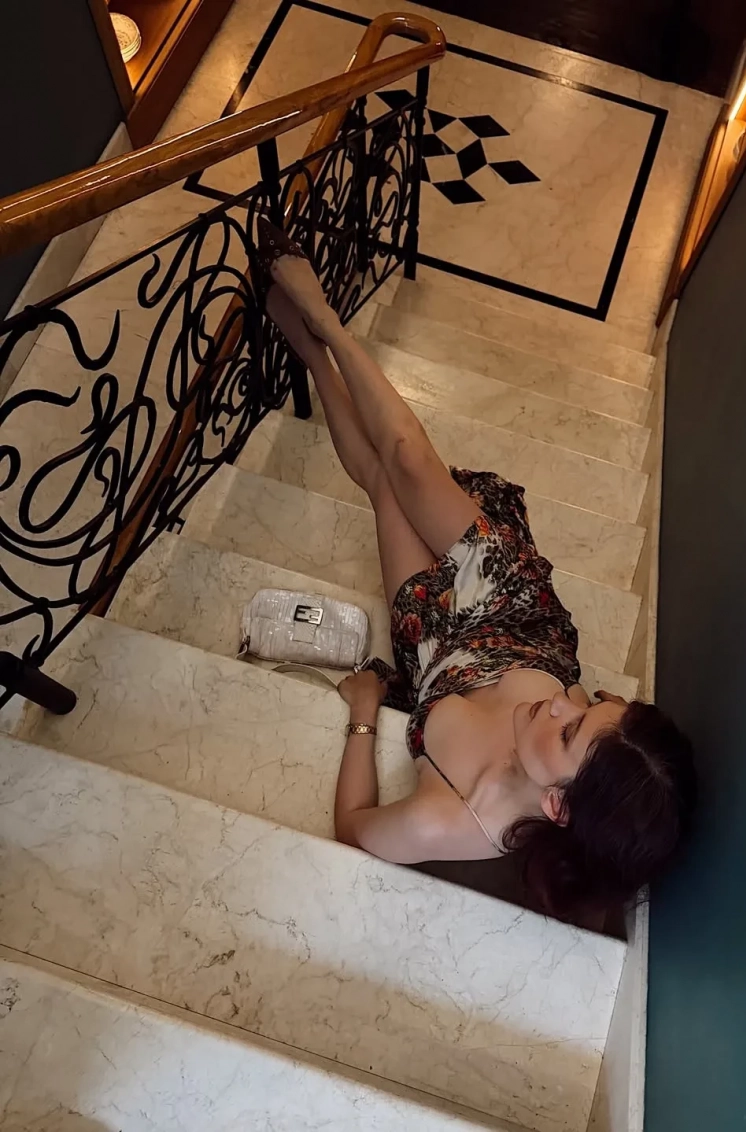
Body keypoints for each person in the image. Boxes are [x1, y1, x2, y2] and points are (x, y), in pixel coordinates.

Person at [258, 219, 696, 920]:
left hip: (436, 646)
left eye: (568, 729)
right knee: (407, 460)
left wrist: (366, 712)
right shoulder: (570, 725)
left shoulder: (444, 821)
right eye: (589, 704)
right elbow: (577, 710)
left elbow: (352, 828)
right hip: (512, 609)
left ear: (557, 807)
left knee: (383, 484)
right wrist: (588, 717)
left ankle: (313, 354)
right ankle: (326, 318)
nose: (564, 702)